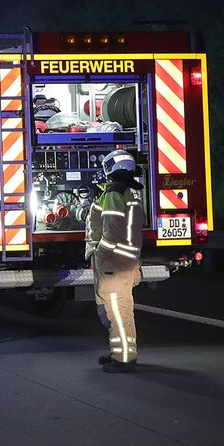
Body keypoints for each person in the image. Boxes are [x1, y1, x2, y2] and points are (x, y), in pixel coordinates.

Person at [85, 149, 145, 373]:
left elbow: (111, 231)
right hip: (126, 261)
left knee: (115, 312)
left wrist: (99, 253)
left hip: (113, 263)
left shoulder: (113, 194)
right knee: (123, 309)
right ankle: (122, 353)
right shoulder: (131, 193)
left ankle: (124, 359)